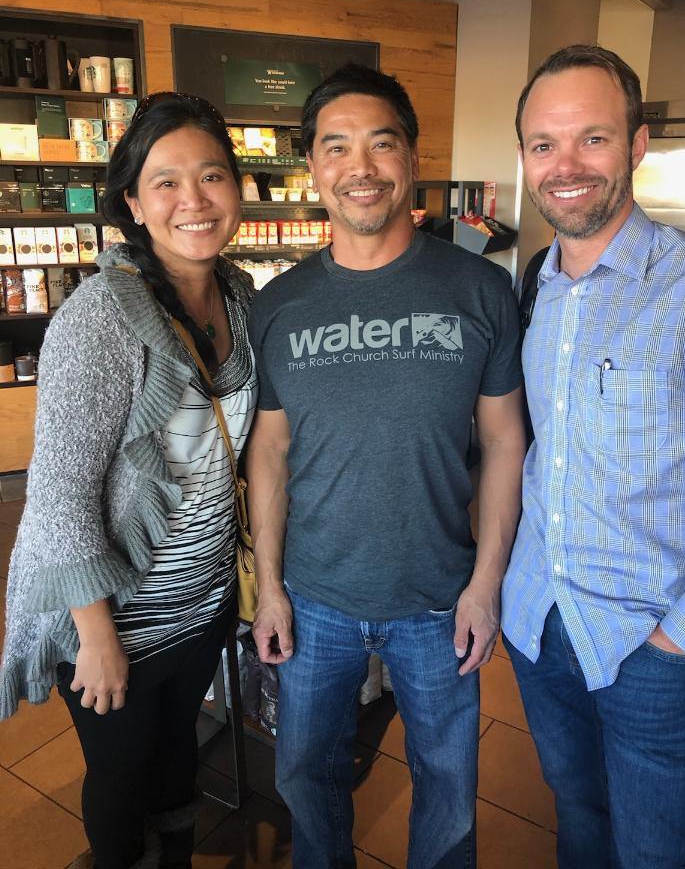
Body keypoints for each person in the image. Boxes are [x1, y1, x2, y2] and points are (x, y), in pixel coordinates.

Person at [246, 63, 526, 869]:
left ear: (410, 157)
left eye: (381, 144)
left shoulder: (479, 288)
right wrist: (269, 587)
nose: (359, 168)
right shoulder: (280, 304)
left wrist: (485, 585)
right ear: (312, 168)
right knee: (307, 777)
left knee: (447, 789)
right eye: (336, 147)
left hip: (440, 600)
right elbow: (270, 447)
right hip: (315, 598)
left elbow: (506, 440)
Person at [0, 92, 256, 869]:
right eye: (167, 182)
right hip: (119, 622)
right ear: (132, 203)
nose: (194, 200)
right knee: (120, 780)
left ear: (238, 189)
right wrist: (96, 638)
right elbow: (60, 495)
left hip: (201, 603)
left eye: (212, 176)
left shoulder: (241, 297)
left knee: (177, 760)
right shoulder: (100, 316)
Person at [502, 44, 685, 869]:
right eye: (544, 144)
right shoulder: (534, 287)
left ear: (636, 146)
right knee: (581, 821)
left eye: (592, 139)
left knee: (657, 850)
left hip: (647, 642)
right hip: (539, 623)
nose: (566, 166)